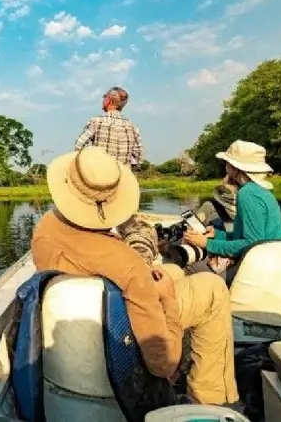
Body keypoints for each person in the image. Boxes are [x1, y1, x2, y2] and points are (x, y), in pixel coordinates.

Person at [31, 146, 240, 407]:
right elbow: (162, 364)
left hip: (92, 319)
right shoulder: (127, 264)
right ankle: (210, 400)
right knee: (211, 288)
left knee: (173, 271)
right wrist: (168, 301)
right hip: (120, 336)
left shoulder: (45, 229)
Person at [183, 140, 281, 275]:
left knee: (188, 268)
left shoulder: (247, 194)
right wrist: (217, 235)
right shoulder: (261, 190)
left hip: (263, 268)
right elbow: (247, 236)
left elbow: (252, 244)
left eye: (227, 164)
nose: (226, 167)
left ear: (236, 169)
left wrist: (207, 244)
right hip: (273, 259)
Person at [74, 86, 144, 172]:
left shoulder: (96, 122)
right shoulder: (133, 127)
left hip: (99, 175)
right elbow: (138, 156)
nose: (103, 100)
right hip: (122, 177)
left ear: (109, 100)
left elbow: (79, 146)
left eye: (104, 97)